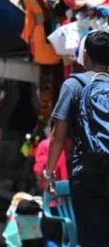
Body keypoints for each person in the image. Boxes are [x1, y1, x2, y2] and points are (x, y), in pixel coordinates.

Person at [44, 31, 109, 246]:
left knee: (91, 238)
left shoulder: (74, 85)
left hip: (87, 174)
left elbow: (58, 136)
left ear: (86, 55)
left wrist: (49, 172)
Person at [33, 132, 70, 246]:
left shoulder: (45, 145)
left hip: (54, 205)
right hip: (75, 206)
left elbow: (40, 173)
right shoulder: (79, 145)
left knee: (51, 238)